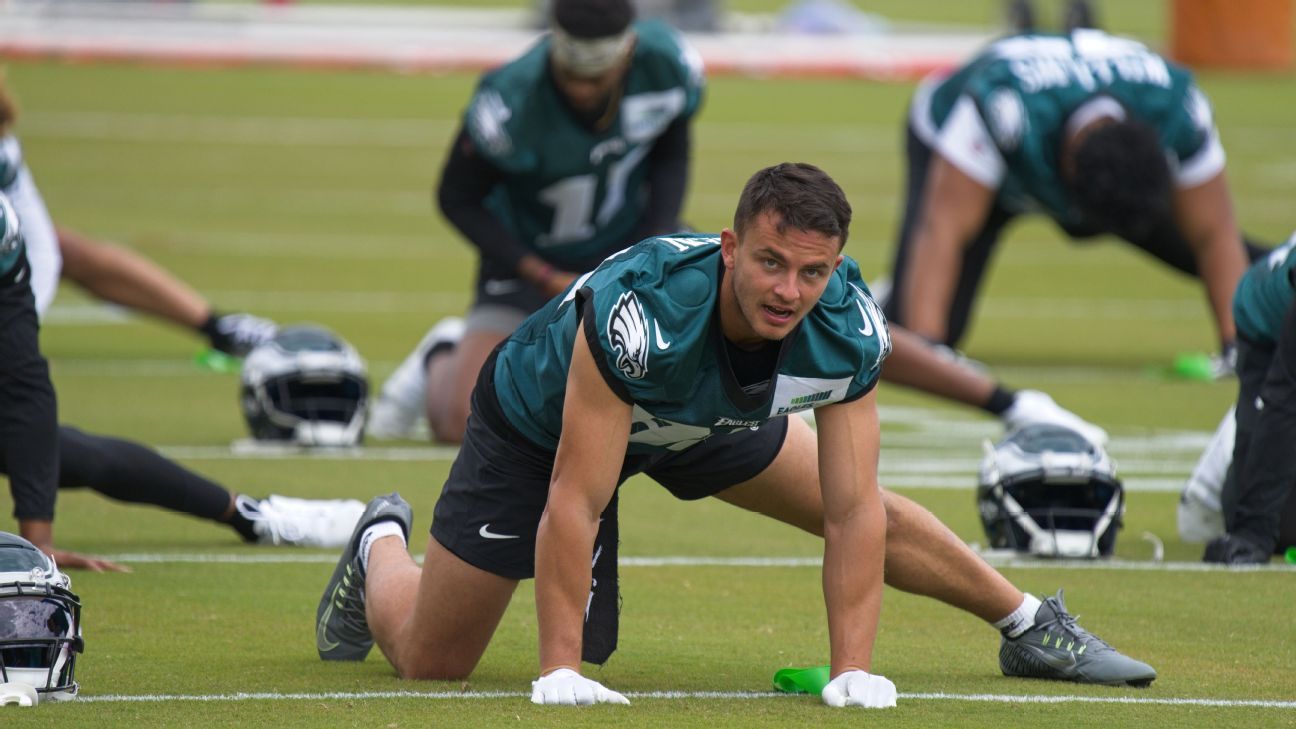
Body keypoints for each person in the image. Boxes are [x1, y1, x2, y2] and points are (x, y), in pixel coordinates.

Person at [316, 164, 1154, 708]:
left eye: (812, 271)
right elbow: (576, 497)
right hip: (548, 417)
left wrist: (851, 668)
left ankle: (1028, 624)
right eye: (769, 263)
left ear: (835, 268)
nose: (789, 290)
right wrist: (559, 668)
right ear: (729, 249)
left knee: (862, 499)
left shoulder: (846, 327)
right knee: (433, 660)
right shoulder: (644, 314)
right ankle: (380, 542)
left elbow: (854, 510)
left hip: (701, 415)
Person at [368, 0, 704, 444]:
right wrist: (540, 273)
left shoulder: (663, 63)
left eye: (596, 78)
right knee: (463, 424)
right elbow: (457, 198)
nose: (583, 90)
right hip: (530, 260)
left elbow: (670, 156)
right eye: (572, 75)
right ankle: (443, 350)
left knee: (704, 363)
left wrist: (644, 250)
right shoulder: (511, 97)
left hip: (629, 242)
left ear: (627, 52)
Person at [882, 28, 1266, 370]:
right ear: (1065, 175)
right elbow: (942, 227)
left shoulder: (1177, 109)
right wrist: (929, 345)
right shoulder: (1004, 107)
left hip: (1105, 157)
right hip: (954, 141)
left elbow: (1214, 233)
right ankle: (889, 293)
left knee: (1249, 265)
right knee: (915, 334)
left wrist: (1238, 348)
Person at [0, 77, 277, 357]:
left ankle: (218, 328)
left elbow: (40, 247)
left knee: (62, 248)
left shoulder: (4, 153)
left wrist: (18, 324)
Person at [1186, 232, 1296, 564]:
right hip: (1266, 331)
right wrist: (1253, 532)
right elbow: (1285, 397)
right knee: (1279, 526)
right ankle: (1221, 467)